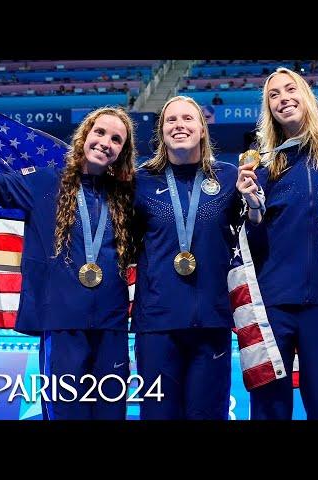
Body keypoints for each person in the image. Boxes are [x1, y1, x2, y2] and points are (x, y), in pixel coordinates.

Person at [0, 88, 137, 420]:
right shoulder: (43, 183)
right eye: (100, 132)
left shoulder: (128, 196)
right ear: (84, 136)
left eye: (117, 139)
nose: (106, 142)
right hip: (60, 325)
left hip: (111, 328)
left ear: (123, 151)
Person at [237, 67, 318, 420]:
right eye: (274, 95)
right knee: (269, 410)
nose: (283, 98)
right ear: (268, 108)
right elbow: (251, 242)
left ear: (306, 97)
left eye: (290, 90)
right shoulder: (264, 168)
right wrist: (253, 211)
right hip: (274, 306)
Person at [132, 96, 240, 419]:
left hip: (211, 322)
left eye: (188, 119)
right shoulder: (141, 182)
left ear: (203, 129)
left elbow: (252, 236)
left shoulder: (229, 177)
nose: (179, 125)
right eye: (171, 120)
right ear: (162, 132)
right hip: (157, 326)